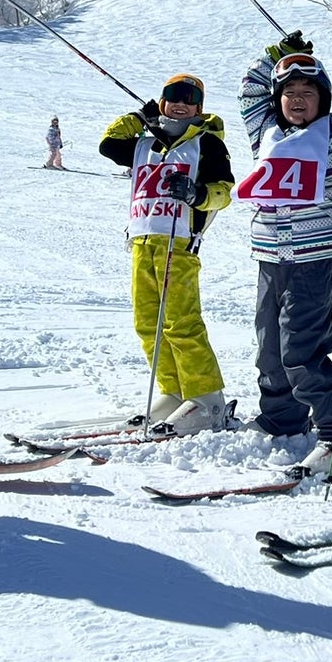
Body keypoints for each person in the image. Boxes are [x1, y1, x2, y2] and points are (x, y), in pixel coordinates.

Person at [239, 21, 332, 476]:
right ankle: (282, 420)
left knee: (302, 350)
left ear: (322, 99)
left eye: (308, 91)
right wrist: (275, 50)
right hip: (270, 256)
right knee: (269, 348)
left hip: (313, 258)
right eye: (289, 92)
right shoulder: (265, 133)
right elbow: (248, 89)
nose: (298, 99)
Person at [98, 74, 233, 436]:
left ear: (199, 108)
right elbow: (109, 145)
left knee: (180, 323)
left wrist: (195, 193)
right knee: (148, 324)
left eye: (190, 98)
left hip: (178, 244)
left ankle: (206, 397)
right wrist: (140, 118)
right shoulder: (144, 143)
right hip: (143, 242)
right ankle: (173, 391)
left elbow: (223, 193)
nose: (180, 103)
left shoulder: (206, 144)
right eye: (173, 95)